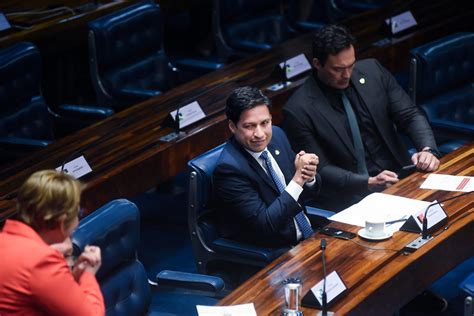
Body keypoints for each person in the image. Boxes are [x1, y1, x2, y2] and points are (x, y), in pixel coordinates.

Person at [283, 25, 440, 212]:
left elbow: (409, 115)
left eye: (351, 65)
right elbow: (321, 168)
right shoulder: (298, 109)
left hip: (402, 175)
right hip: (352, 197)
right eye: (338, 69)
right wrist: (368, 182)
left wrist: (428, 149)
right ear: (317, 64)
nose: (347, 75)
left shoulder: (372, 71)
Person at [213, 86, 322, 248]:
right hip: (276, 252)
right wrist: (299, 179)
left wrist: (309, 175)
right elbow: (265, 225)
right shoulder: (229, 169)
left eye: (265, 123)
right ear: (232, 127)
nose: (260, 134)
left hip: (309, 237)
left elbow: (310, 193)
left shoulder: (277, 136)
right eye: (249, 126)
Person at [0, 170, 104, 315]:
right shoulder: (40, 261)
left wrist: (75, 275)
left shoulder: (5, 239)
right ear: (62, 222)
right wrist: (88, 274)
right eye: (78, 213)